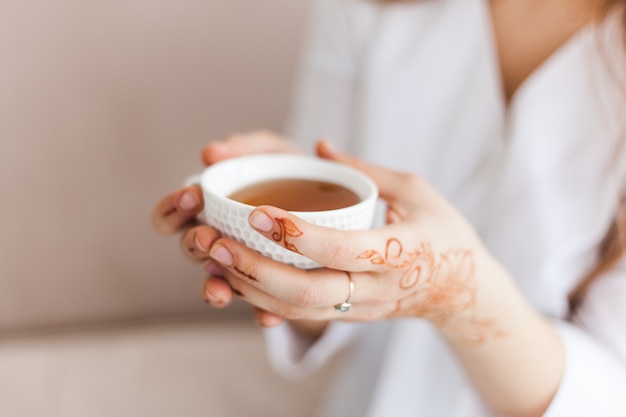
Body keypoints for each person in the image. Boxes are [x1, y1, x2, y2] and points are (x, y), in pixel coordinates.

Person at [153, 0, 626, 415]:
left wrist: (460, 292)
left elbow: (608, 395)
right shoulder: (367, 8)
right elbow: (334, 291)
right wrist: (288, 259)